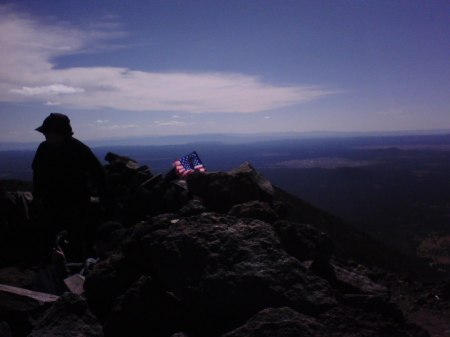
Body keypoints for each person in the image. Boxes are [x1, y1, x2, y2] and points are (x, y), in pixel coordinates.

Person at [32, 113, 106, 262]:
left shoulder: (79, 150)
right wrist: (38, 196)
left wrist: (103, 199)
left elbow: (99, 175)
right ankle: (48, 267)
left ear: (59, 132)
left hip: (76, 203)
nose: (45, 135)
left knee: (76, 239)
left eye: (47, 132)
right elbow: (37, 174)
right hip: (50, 202)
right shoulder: (44, 148)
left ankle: (76, 270)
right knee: (47, 238)